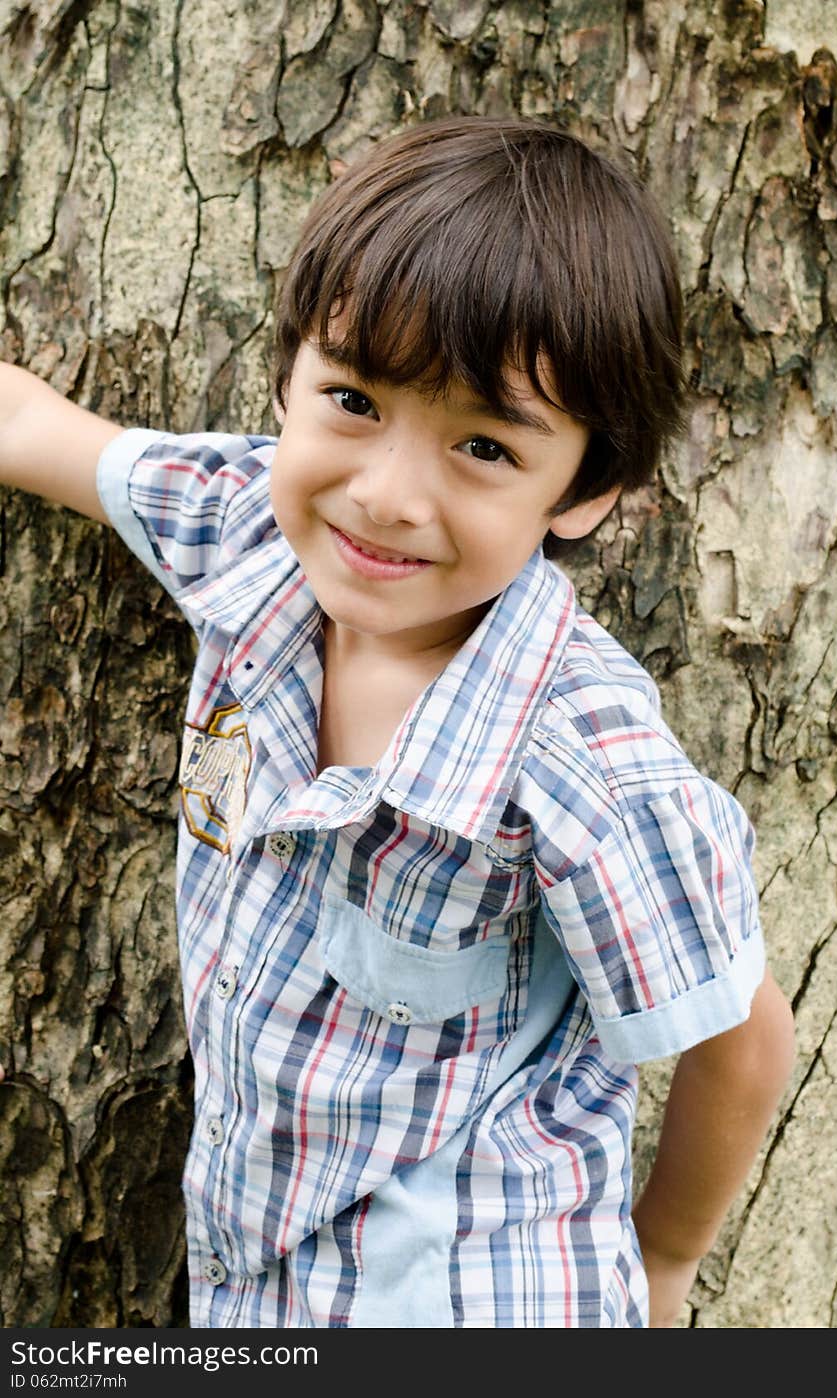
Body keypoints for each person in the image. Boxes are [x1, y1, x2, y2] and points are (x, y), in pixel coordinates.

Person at [0, 115, 794, 1329]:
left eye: (482, 444)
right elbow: (51, 437)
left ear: (583, 493)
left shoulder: (581, 755)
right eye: (354, 399)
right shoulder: (249, 536)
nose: (386, 494)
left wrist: (666, 1258)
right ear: (289, 380)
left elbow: (736, 1039)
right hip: (259, 1281)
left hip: (471, 1297)